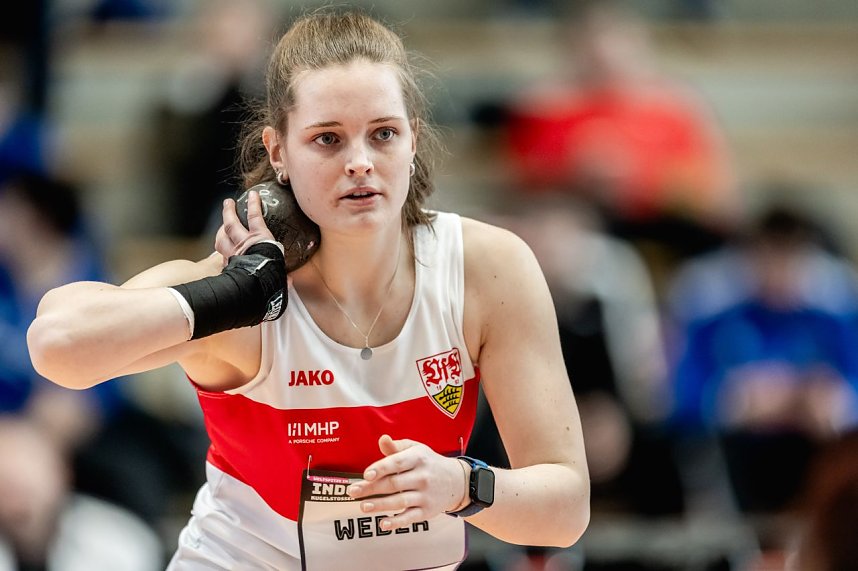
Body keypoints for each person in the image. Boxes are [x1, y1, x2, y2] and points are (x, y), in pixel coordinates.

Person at [27, 8, 590, 570]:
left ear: (414, 138)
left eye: (384, 134)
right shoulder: (242, 292)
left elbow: (565, 511)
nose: (360, 163)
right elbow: (57, 343)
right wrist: (233, 297)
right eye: (328, 139)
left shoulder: (486, 270)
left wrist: (462, 484)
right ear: (279, 153)